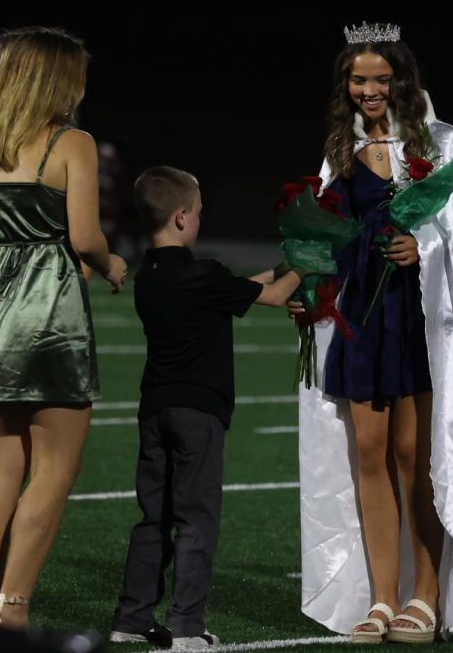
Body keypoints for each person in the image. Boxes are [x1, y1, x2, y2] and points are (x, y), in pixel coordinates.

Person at [296, 22, 453, 643]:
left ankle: (427, 594)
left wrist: (426, 245)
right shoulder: (340, 147)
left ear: (401, 81)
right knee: (368, 453)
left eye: (380, 80)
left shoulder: (439, 143)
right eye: (358, 80)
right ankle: (382, 596)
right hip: (361, 315)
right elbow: (327, 229)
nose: (368, 90)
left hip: (416, 317)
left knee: (415, 457)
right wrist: (310, 282)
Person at [0, 26, 127, 629]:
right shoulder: (73, 142)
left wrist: (0, 252)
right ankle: (13, 606)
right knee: (55, 467)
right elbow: (85, 237)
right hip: (51, 312)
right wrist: (110, 264)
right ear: (59, 81)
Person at [109, 166, 304, 650]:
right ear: (180, 217)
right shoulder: (203, 273)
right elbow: (275, 296)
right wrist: (315, 257)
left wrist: (286, 265)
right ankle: (186, 626)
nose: (199, 219)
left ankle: (132, 617)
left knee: (153, 517)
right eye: (197, 213)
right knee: (197, 518)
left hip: (154, 409)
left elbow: (247, 286)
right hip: (199, 413)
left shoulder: (150, 276)